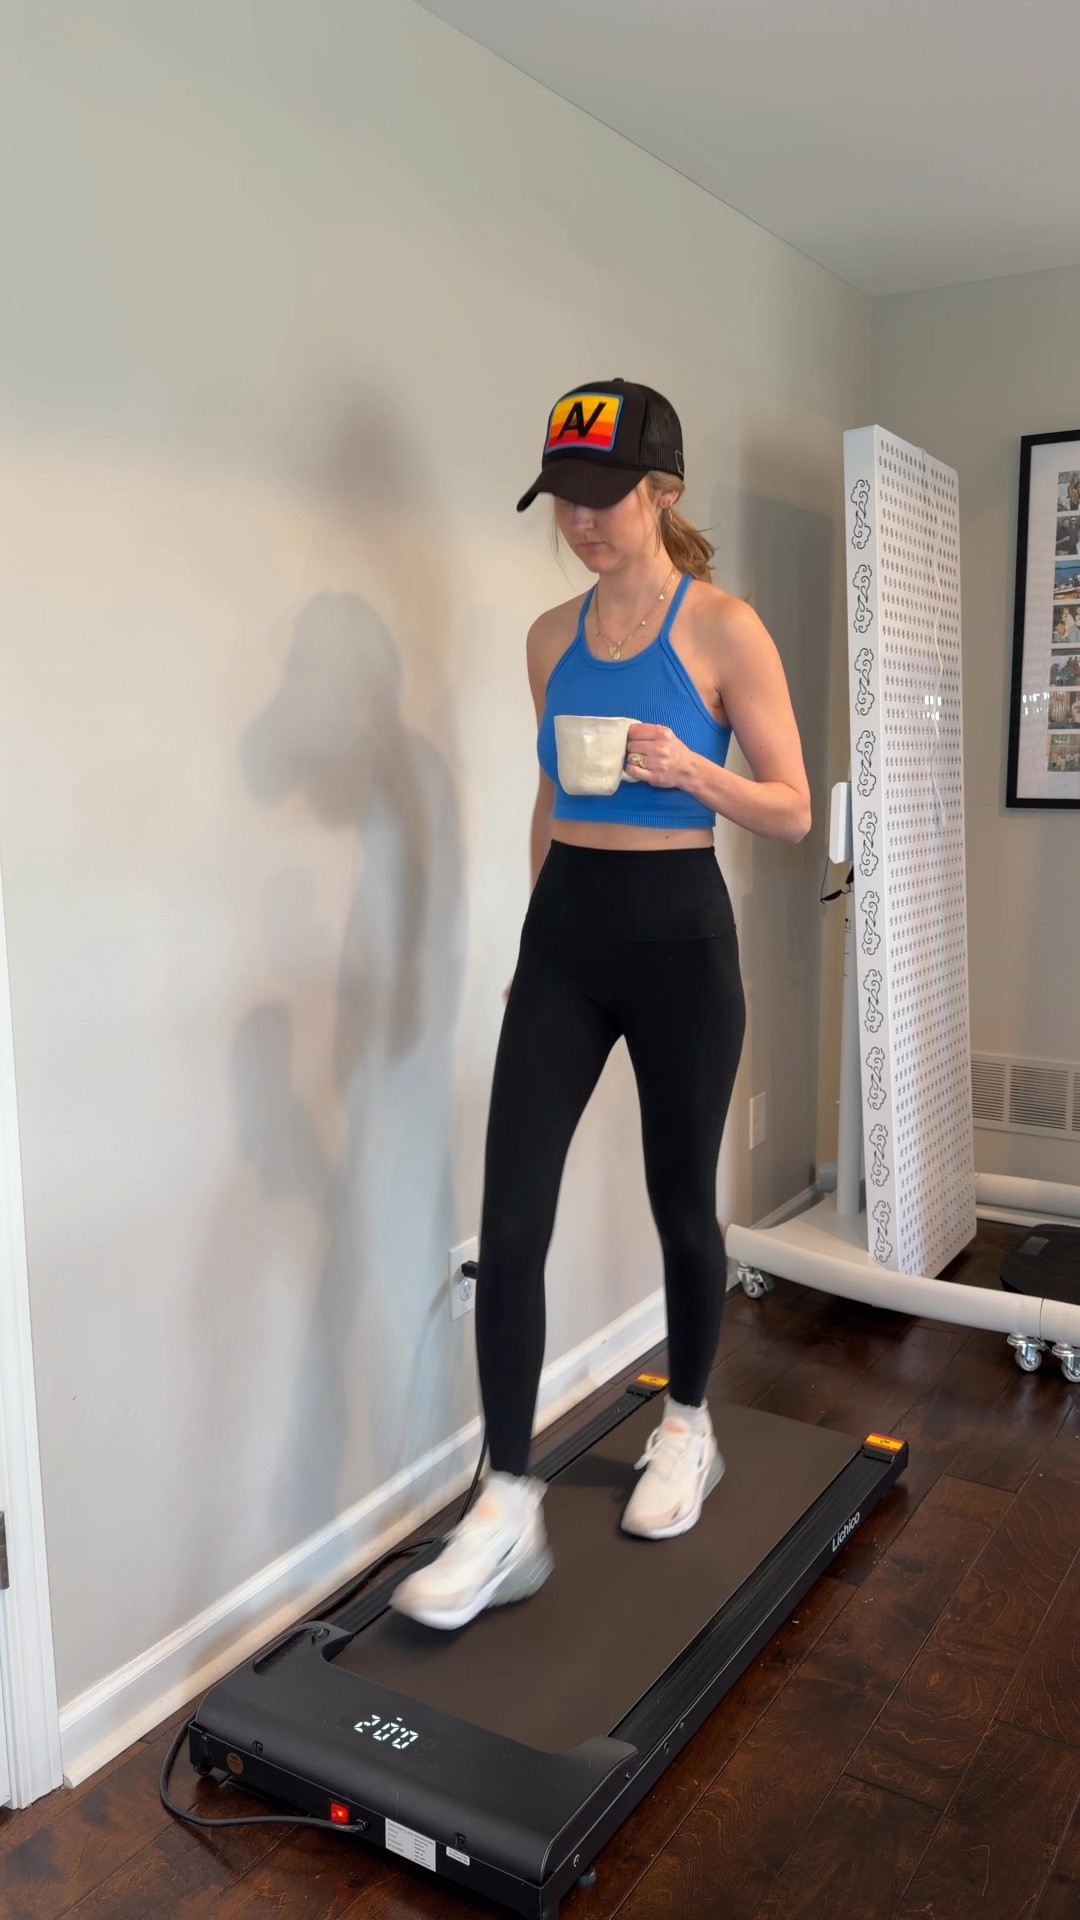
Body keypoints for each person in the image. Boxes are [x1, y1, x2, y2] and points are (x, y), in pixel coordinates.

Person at [392, 380, 811, 1631]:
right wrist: (534, 939)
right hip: (568, 939)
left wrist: (694, 772)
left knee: (681, 1199)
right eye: (562, 498)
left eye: (603, 495)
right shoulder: (547, 638)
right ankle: (506, 1505)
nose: (579, 520)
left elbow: (793, 807)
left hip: (682, 937)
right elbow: (549, 798)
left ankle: (688, 1423)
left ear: (662, 492)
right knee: (511, 1218)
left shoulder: (724, 629)